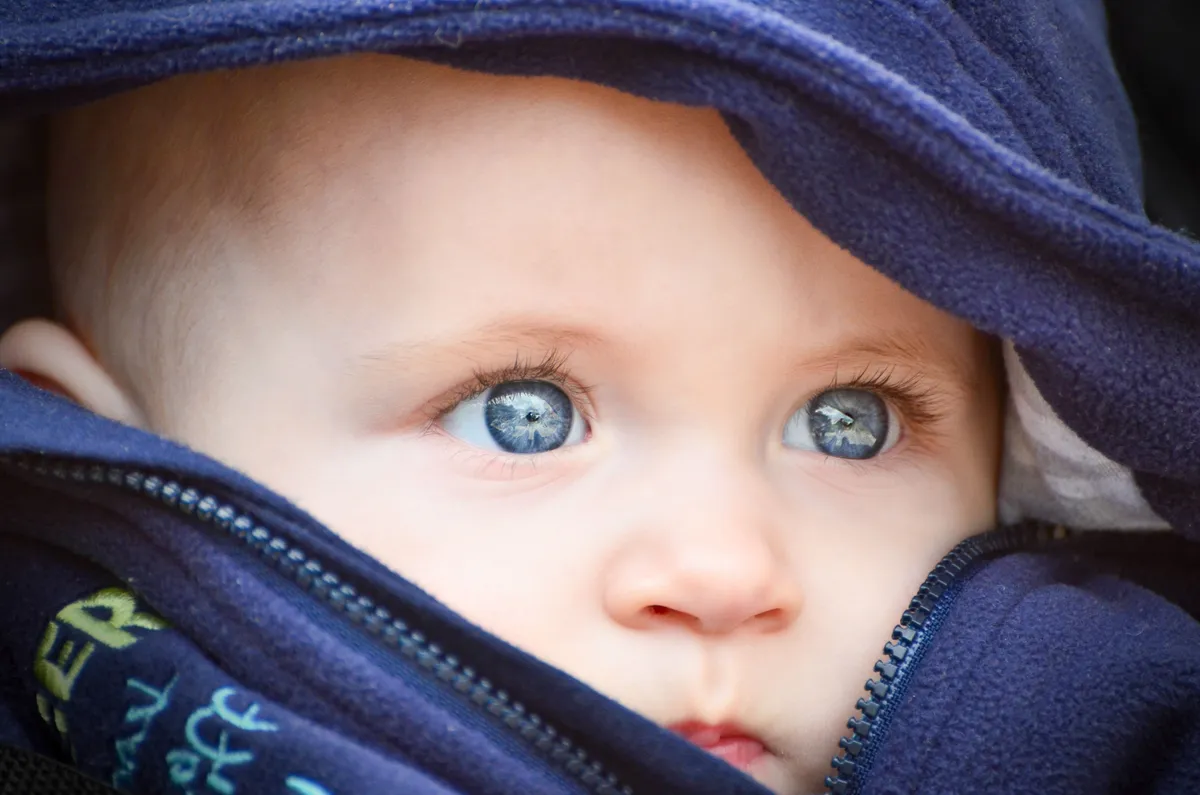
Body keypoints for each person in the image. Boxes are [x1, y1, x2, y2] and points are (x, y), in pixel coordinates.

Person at [0, 3, 1197, 795]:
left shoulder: (1111, 724)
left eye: (851, 423)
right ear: (102, 451)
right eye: (524, 412)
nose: (727, 571)